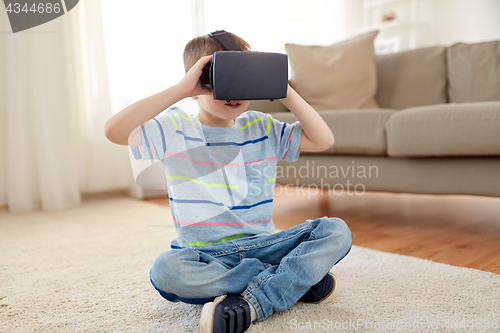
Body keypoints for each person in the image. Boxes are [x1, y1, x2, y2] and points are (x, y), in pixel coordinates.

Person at [104, 31, 352, 333]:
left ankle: (254, 302)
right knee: (165, 271)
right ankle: (290, 280)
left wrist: (281, 88)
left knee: (336, 230)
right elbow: (114, 131)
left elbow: (322, 140)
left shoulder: (261, 126)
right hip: (204, 255)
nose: (233, 91)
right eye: (218, 80)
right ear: (195, 85)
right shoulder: (174, 129)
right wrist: (180, 90)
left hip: (264, 244)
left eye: (242, 78)